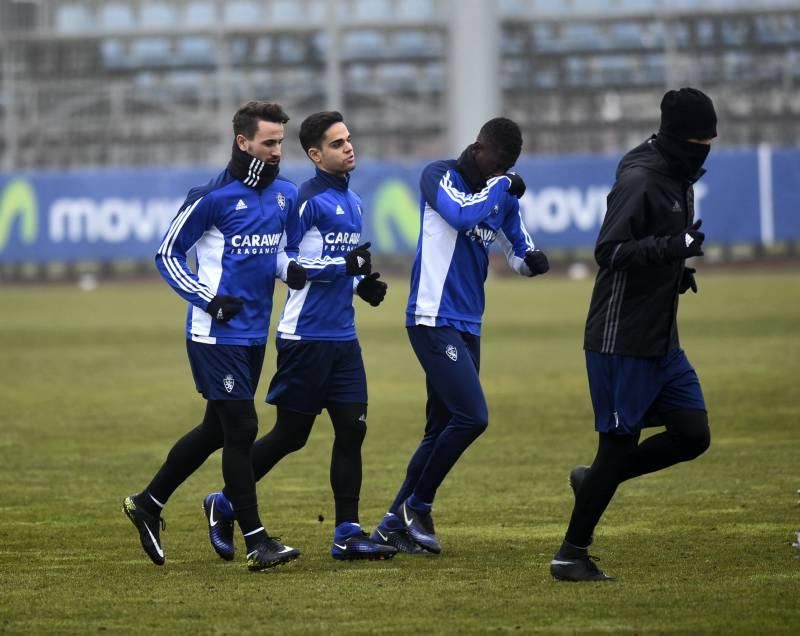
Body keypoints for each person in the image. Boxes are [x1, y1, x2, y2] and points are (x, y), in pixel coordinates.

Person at [202, 111, 397, 562]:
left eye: (348, 139)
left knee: (353, 429)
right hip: (304, 337)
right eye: (337, 143)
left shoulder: (355, 204)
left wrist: (359, 285)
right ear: (314, 155)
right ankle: (226, 501)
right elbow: (288, 265)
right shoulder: (304, 201)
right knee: (291, 435)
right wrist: (342, 269)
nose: (348, 147)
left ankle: (347, 533)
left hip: (343, 339)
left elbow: (338, 266)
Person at [122, 101, 308, 571]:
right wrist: (207, 299)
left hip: (252, 336)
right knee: (243, 428)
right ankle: (257, 540)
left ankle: (148, 502)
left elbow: (279, 254)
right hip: (213, 335)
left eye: (280, 143)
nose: (276, 152)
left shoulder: (285, 195)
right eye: (268, 143)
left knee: (214, 430)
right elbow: (167, 255)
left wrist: (293, 270)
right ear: (243, 143)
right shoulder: (210, 198)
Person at [549, 87, 716, 582]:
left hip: (661, 339)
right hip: (621, 340)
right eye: (700, 141)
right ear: (679, 138)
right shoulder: (641, 179)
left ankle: (597, 481)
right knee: (617, 447)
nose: (706, 150)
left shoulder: (678, 172)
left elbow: (654, 250)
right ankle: (570, 554)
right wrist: (671, 248)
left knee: (692, 434)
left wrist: (675, 270)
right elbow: (610, 252)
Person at [369, 117, 550, 555]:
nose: (499, 172)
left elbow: (517, 248)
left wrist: (533, 262)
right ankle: (419, 504)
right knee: (473, 416)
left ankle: (392, 524)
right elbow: (461, 213)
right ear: (477, 149)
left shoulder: (500, 194)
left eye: (507, 166)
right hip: (432, 317)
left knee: (441, 425)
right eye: (496, 163)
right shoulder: (439, 176)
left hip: (468, 323)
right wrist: (502, 185)